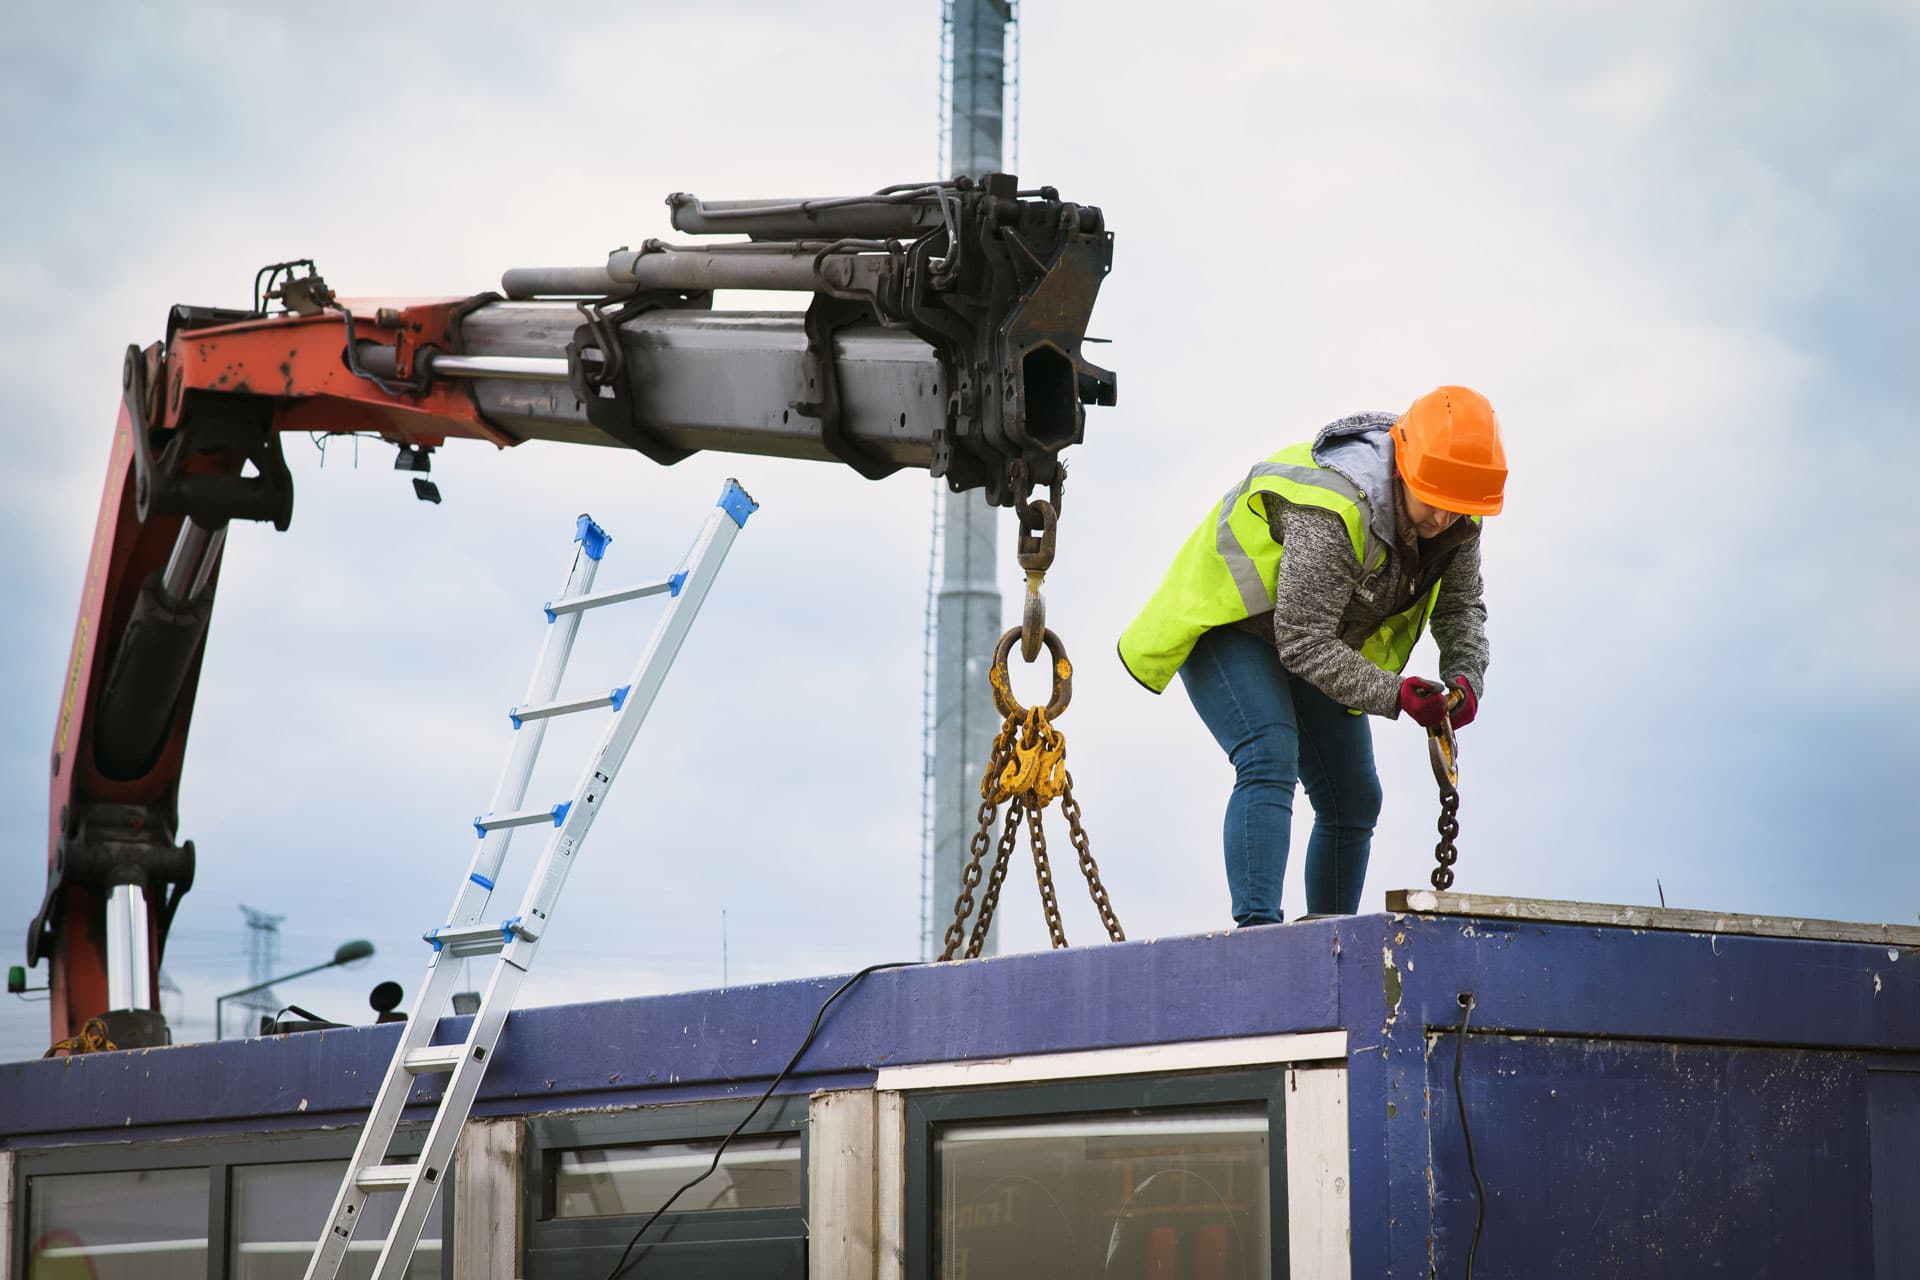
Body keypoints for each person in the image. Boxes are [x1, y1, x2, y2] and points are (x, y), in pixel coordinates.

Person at [1117, 386, 1507, 925]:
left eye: (1458, 506)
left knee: (1355, 797)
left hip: (1314, 637)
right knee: (1268, 753)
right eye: (1433, 499)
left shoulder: (1459, 518)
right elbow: (1303, 640)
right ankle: (1260, 937)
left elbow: (1461, 607)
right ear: (1405, 470)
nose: (1443, 518)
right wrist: (1395, 694)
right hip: (1231, 623)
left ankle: (1331, 944)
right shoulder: (1338, 509)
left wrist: (1465, 678)